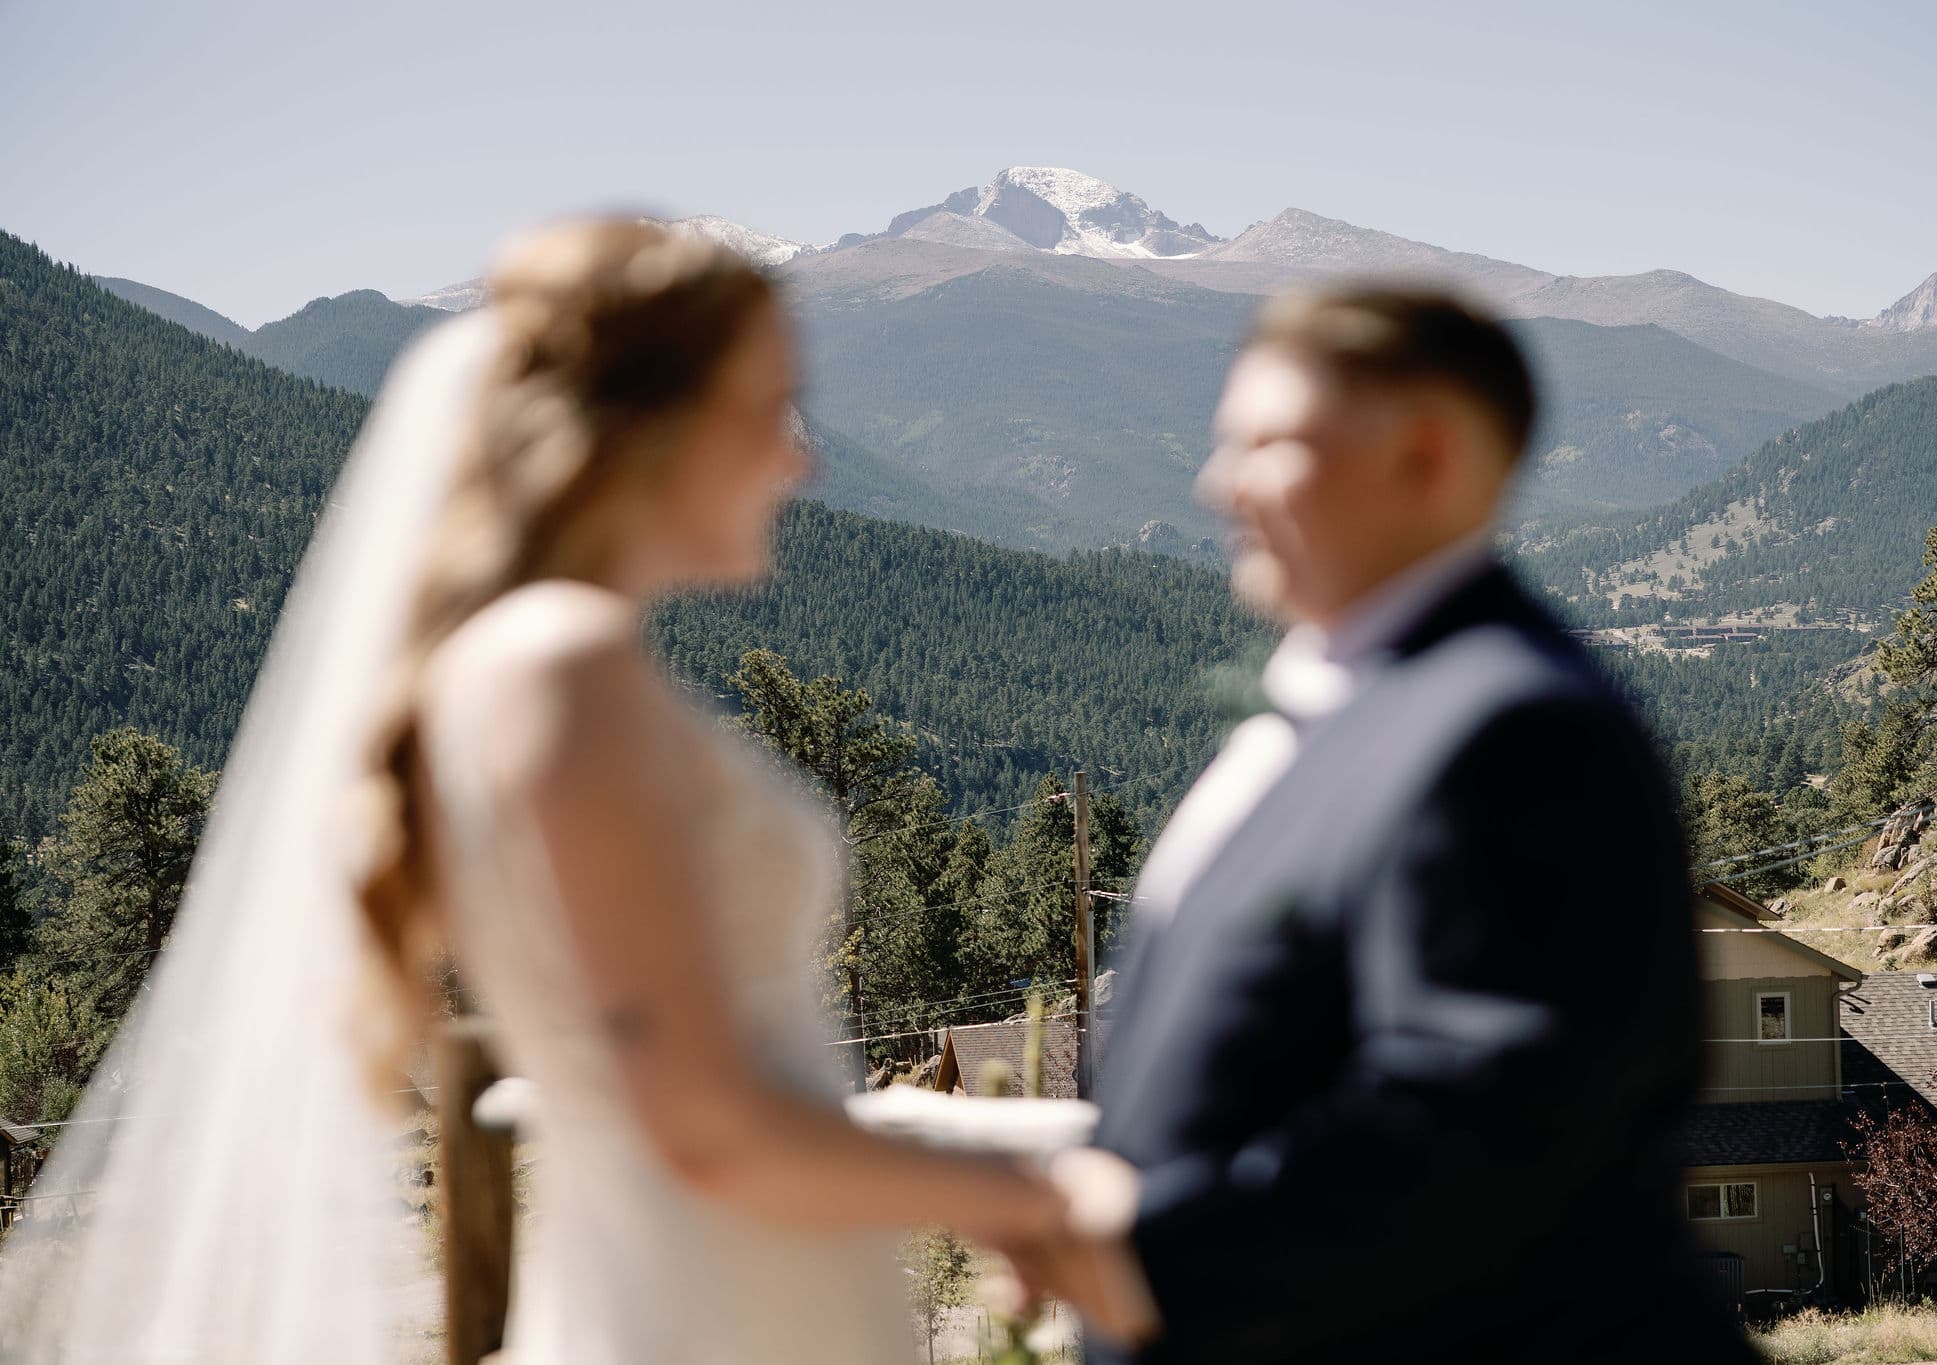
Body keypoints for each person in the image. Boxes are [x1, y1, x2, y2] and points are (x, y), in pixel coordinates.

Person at [0, 219, 1083, 1364]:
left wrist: (916, 1131)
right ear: (642, 423)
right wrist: (1024, 1185)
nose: (800, 458)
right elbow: (699, 1124)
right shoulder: (559, 671)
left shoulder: (555, 664)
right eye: (768, 408)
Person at [1037, 288, 1760, 1362]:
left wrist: (1141, 1247)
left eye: (1264, 443)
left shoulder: (1513, 732)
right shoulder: (1356, 709)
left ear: (1424, 456)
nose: (1214, 484)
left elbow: (1480, 1132)